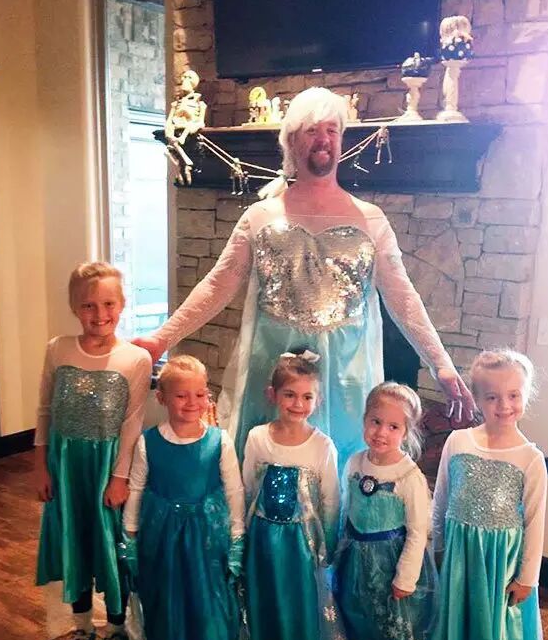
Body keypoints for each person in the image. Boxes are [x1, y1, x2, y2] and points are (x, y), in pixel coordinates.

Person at [134, 87, 474, 469]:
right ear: (292, 141)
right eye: (312, 131)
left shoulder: (371, 220)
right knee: (269, 466)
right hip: (274, 367)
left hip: (346, 375)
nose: (323, 139)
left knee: (340, 469)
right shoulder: (260, 217)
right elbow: (218, 285)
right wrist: (161, 339)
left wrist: (440, 363)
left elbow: (403, 297)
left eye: (332, 130)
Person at [421, 350, 548, 640]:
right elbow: (441, 500)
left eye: (514, 395)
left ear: (525, 395)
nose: (504, 405)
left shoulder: (530, 458)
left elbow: (535, 521)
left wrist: (527, 577)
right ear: (478, 399)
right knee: (453, 616)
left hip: (499, 561)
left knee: (488, 626)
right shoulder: (458, 442)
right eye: (493, 397)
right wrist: (437, 546)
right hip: (458, 552)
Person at [34, 262, 152, 640]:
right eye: (88, 305)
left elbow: (132, 423)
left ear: (122, 304)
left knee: (110, 546)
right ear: (74, 307)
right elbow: (45, 410)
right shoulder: (58, 349)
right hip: (66, 466)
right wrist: (40, 464)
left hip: (107, 469)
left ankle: (116, 632)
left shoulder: (135, 359)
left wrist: (120, 477)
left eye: (108, 304)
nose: (99, 314)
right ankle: (82, 628)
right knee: (76, 541)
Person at [123, 355, 247, 640]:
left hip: (207, 542)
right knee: (167, 608)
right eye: (181, 396)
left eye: (200, 394)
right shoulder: (148, 443)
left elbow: (234, 492)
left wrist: (237, 539)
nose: (192, 403)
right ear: (161, 398)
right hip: (162, 540)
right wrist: (130, 538)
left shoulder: (220, 441)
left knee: (209, 610)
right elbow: (137, 489)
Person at [242, 352, 354, 640]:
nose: (298, 404)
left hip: (303, 544)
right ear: (272, 394)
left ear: (317, 400)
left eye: (307, 396)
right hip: (263, 541)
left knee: (299, 605)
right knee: (266, 601)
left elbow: (331, 501)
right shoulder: (258, 438)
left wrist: (328, 547)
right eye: (289, 394)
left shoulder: (322, 446)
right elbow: (247, 489)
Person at [332, 382, 437, 640]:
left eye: (393, 426)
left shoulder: (409, 477)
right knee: (355, 618)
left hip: (392, 563)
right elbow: (346, 509)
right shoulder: (355, 462)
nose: (381, 432)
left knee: (394, 628)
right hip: (356, 560)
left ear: (406, 432)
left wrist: (406, 577)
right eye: (376, 422)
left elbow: (418, 532)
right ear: (364, 420)